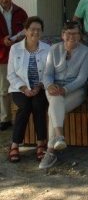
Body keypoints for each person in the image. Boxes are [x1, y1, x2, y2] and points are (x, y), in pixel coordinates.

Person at [39, 21, 88, 169]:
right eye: (68, 33)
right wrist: (49, 85)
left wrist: (65, 89)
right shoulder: (54, 49)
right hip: (54, 89)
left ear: (79, 36)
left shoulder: (86, 51)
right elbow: (47, 73)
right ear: (62, 35)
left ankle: (51, 150)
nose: (72, 36)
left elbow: (82, 79)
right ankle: (57, 140)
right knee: (55, 100)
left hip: (76, 91)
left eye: (75, 33)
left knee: (53, 110)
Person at [7, 17, 50, 162]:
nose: (35, 32)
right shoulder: (15, 48)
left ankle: (41, 144)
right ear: (25, 31)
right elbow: (11, 74)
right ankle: (14, 145)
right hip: (19, 89)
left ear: (42, 33)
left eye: (38, 29)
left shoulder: (47, 49)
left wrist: (39, 86)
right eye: (32, 29)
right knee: (24, 106)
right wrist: (24, 88)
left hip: (40, 88)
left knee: (39, 105)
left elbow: (49, 73)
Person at [0, 0, 28, 131]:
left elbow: (27, 28)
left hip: (19, 54)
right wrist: (2, 41)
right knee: (4, 89)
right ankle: (5, 119)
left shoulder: (20, 12)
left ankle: (21, 115)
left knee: (21, 85)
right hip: (2, 56)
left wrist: (20, 37)